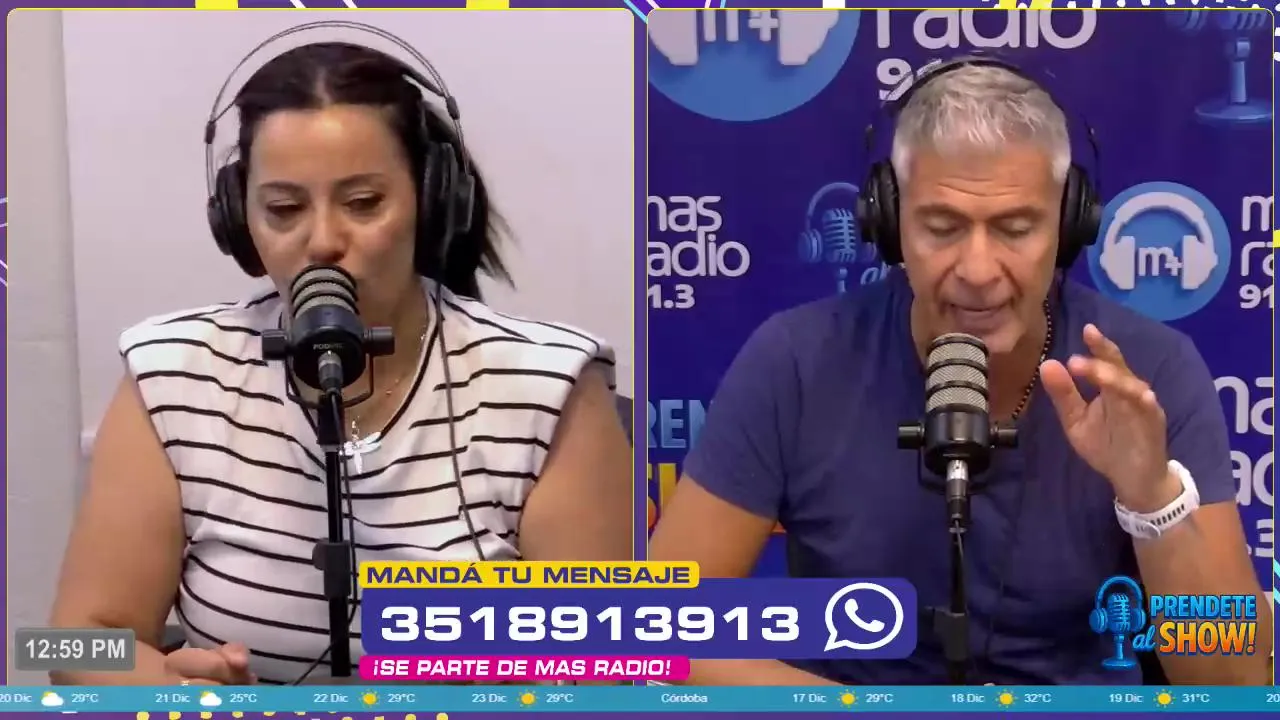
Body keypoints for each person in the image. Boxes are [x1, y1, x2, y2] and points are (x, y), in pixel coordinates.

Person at [648, 60, 1270, 685]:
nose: (977, 270)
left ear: (1069, 227)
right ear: (889, 225)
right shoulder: (796, 362)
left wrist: (1152, 498)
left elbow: (1235, 679)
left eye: (1016, 229)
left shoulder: (1147, 371)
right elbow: (662, 630)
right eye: (942, 229)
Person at [50, 32, 632, 686]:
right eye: (284, 209)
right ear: (238, 220)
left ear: (432, 200)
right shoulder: (174, 375)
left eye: (363, 204)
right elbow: (68, 645)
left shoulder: (546, 387)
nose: (323, 241)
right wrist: (176, 693)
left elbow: (599, 671)